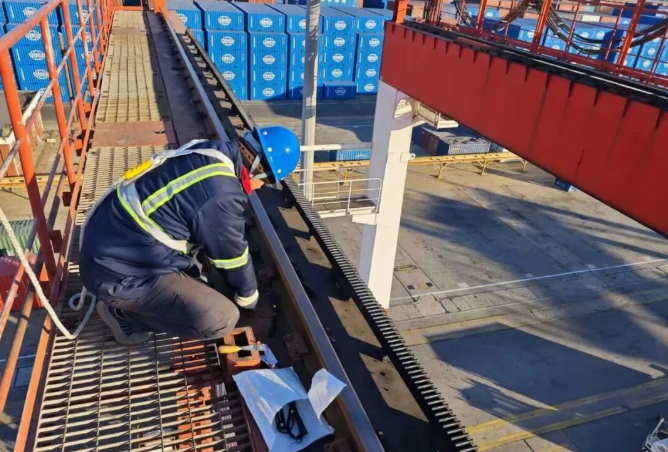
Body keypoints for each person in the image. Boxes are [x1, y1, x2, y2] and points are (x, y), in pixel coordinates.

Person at [79, 127, 301, 345]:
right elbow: (232, 256)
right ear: (260, 169)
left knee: (201, 279)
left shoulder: (208, 151)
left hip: (109, 244)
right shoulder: (221, 193)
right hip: (118, 275)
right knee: (221, 319)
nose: (260, 187)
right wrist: (248, 297)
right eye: (267, 181)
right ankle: (124, 316)